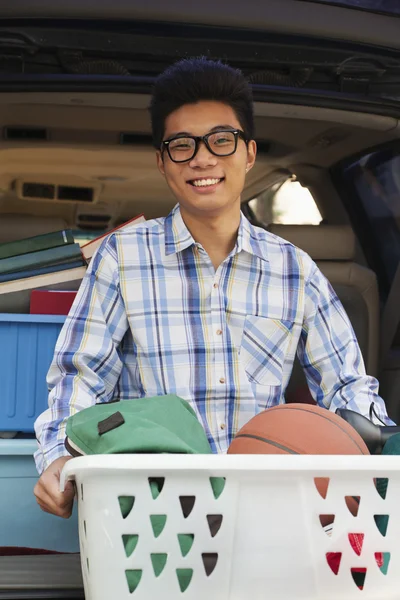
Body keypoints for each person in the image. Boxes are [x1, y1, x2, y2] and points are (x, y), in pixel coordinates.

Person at [33, 56, 393, 518]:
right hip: (151, 509)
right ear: (162, 162)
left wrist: (379, 439)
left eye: (222, 140)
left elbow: (347, 386)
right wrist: (57, 457)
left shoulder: (294, 270)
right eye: (182, 145)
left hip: (268, 505)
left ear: (249, 152)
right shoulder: (121, 258)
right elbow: (79, 377)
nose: (202, 158)